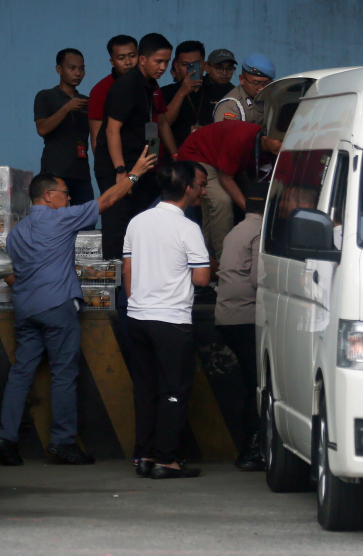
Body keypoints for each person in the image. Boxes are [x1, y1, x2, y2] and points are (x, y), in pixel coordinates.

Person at [0, 149, 157, 467]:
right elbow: (107, 201)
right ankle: (62, 443)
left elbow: (10, 273)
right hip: (57, 308)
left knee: (21, 374)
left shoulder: (16, 233)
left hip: (26, 309)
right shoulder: (59, 220)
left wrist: (31, 292)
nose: (69, 199)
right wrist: (135, 173)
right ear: (48, 195)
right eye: (65, 193)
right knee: (63, 374)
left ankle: (6, 441)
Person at [123, 161, 209, 479]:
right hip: (171, 320)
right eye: (200, 185)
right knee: (173, 390)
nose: (202, 190)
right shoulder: (187, 228)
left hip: (137, 317)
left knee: (145, 389)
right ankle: (165, 459)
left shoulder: (138, 222)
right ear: (187, 188)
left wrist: (138, 302)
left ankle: (143, 456)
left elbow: (127, 271)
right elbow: (201, 278)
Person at [94, 32, 178, 260]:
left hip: (143, 164)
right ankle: (115, 287)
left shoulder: (150, 84)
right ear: (143, 60)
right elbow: (112, 130)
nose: (162, 67)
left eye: (166, 62)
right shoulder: (126, 86)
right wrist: (121, 172)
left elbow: (159, 122)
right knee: (117, 225)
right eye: (158, 61)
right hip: (120, 166)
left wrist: (174, 154)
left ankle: (136, 279)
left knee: (141, 222)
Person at [214, 184, 267, 470]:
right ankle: (251, 451)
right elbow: (261, 279)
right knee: (258, 386)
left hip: (228, 317)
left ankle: (251, 449)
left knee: (251, 385)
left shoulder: (237, 229)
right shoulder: (260, 231)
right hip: (247, 318)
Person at [177, 120, 282, 259]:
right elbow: (225, 178)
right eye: (279, 140)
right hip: (199, 155)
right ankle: (224, 263)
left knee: (215, 209)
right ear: (264, 136)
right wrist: (251, 210)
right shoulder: (241, 137)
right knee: (221, 201)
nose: (282, 144)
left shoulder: (271, 148)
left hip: (223, 162)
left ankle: (206, 261)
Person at [34, 48, 93, 206]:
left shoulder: (86, 101)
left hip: (82, 174)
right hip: (54, 175)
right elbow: (42, 129)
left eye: (81, 68)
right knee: (54, 223)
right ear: (59, 69)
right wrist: (66, 108)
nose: (78, 73)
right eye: (72, 68)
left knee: (86, 225)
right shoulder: (45, 96)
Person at [160, 41, 235, 148]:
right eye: (185, 65)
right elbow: (163, 125)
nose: (191, 70)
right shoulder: (166, 92)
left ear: (204, 66)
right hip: (178, 157)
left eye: (195, 64)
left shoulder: (220, 91)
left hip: (209, 155)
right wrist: (181, 93)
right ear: (176, 66)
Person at [88, 35, 139, 153]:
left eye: (132, 56)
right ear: (112, 62)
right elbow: (96, 136)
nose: (128, 62)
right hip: (117, 162)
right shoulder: (100, 90)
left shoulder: (150, 84)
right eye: (121, 58)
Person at [213, 53, 275, 125]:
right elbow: (227, 135)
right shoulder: (231, 106)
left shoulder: (271, 99)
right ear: (242, 79)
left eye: (267, 83)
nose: (261, 88)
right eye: (256, 82)